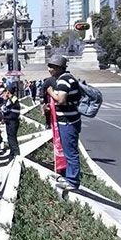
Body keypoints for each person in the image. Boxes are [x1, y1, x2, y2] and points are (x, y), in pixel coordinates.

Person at [45, 55, 82, 190]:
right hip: (68, 120)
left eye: (52, 67)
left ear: (58, 68)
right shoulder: (65, 78)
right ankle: (68, 177)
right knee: (67, 150)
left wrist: (50, 91)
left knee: (70, 151)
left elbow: (61, 100)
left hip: (68, 121)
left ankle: (72, 181)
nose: (49, 69)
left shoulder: (64, 80)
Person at [0, 84, 20, 157]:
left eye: (6, 91)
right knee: (9, 137)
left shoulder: (13, 100)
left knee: (12, 138)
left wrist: (6, 117)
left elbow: (14, 113)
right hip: (9, 121)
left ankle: (16, 154)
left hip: (12, 122)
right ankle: (12, 153)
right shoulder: (9, 99)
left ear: (8, 92)